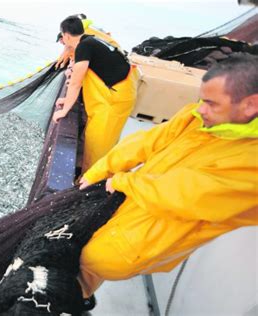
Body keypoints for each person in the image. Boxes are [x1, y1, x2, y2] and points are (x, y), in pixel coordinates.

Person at [76, 54, 258, 298]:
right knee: (75, 283)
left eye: (212, 104)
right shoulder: (196, 117)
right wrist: (100, 170)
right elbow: (144, 142)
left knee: (82, 268)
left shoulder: (251, 161)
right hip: (121, 215)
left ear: (251, 105)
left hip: (133, 247)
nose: (201, 109)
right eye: (201, 99)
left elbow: (182, 194)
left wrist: (121, 180)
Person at [52, 16, 138, 172]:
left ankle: (91, 179)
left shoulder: (83, 48)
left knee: (97, 143)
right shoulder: (90, 40)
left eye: (62, 36)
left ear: (66, 35)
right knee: (104, 139)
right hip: (123, 91)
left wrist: (64, 110)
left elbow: (76, 83)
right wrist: (67, 99)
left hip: (115, 99)